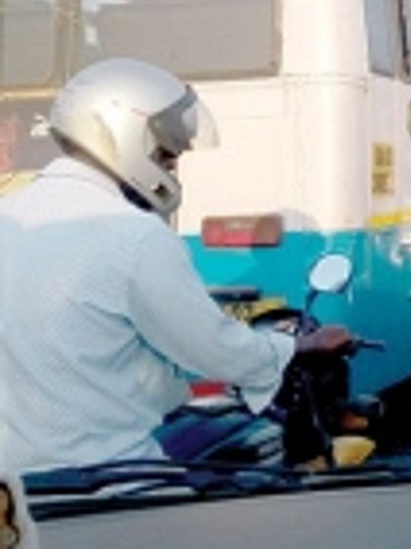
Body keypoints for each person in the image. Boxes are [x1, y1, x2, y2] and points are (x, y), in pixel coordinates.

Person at [0, 58, 350, 474]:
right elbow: (212, 349)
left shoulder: (11, 215)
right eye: (166, 154)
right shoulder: (134, 234)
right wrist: (297, 346)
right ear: (125, 135)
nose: (171, 166)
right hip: (111, 484)